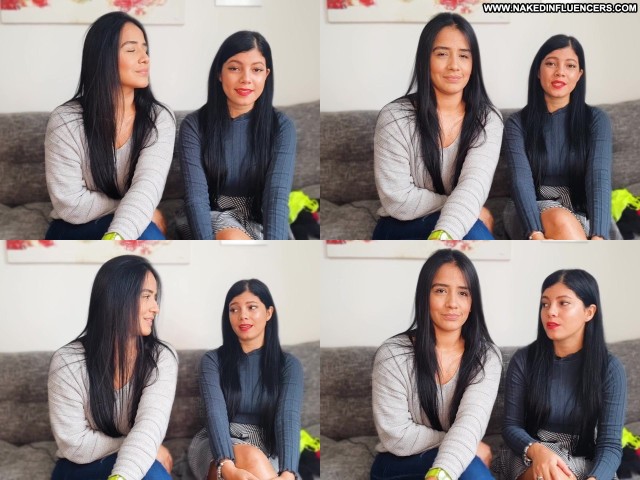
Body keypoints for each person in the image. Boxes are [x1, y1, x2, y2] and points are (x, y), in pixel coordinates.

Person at [370, 249, 502, 480]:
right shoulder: (392, 355)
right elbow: (396, 435)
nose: (452, 303)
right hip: (397, 461)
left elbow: (471, 422)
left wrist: (452, 458)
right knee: (471, 469)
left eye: (463, 293)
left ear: (472, 302)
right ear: (424, 296)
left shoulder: (486, 357)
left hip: (457, 456)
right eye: (441, 290)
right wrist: (466, 444)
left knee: (470, 470)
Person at [45, 12, 175, 240]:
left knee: (149, 236)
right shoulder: (65, 121)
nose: (145, 58)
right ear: (103, 57)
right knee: (147, 229)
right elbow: (70, 204)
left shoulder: (159, 119)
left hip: (131, 221)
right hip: (72, 227)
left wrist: (120, 233)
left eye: (145, 49)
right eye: (131, 50)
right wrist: (137, 209)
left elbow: (147, 186)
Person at [372, 13, 503, 240]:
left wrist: (448, 229)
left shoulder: (487, 119)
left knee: (474, 232)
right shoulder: (394, 118)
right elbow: (398, 198)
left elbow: (474, 184)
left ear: (473, 64)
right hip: (400, 224)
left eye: (464, 56)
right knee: (474, 229)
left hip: (460, 219)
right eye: (442, 54)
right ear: (425, 59)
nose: (454, 66)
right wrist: (467, 208)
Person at [48, 255, 178, 480]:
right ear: (117, 299)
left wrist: (136, 456)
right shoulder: (67, 362)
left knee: (153, 474)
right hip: (78, 467)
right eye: (146, 296)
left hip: (134, 459)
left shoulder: (161, 358)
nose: (156, 308)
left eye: (155, 297)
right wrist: (141, 446)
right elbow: (74, 444)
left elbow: (150, 426)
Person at [502, 269, 626, 480]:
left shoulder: (610, 369)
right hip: (530, 452)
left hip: (582, 456)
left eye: (563, 303)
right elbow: (511, 427)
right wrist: (537, 451)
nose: (550, 311)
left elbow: (610, 444)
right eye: (545, 304)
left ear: (589, 312)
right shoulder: (524, 360)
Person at [177, 31, 297, 240]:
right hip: (210, 215)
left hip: (258, 217)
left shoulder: (282, 127)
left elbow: (276, 198)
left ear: (266, 75)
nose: (246, 79)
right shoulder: (193, 126)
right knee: (232, 238)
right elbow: (196, 199)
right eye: (234, 68)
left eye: (256, 70)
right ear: (219, 73)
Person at [189, 279, 303, 480]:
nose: (242, 315)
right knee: (252, 457)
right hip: (218, 444)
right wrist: (227, 466)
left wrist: (288, 473)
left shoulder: (289, 365)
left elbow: (288, 418)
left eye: (252, 307)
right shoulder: (212, 361)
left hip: (267, 446)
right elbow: (215, 415)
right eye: (234, 310)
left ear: (269, 313)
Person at [503, 35, 613, 240]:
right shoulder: (517, 124)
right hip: (530, 210)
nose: (560, 72)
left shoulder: (597, 120)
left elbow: (599, 178)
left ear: (579, 75)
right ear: (538, 71)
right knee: (561, 220)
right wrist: (535, 233)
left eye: (570, 66)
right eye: (551, 63)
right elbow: (521, 182)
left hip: (582, 208)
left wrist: (599, 236)